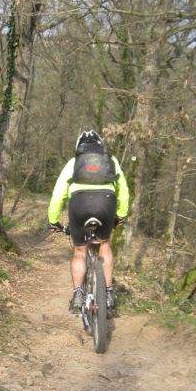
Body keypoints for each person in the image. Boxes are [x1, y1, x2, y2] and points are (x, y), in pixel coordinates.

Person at [48, 130, 130, 314]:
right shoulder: (111, 161)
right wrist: (121, 215)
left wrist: (53, 221)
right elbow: (123, 191)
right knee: (105, 245)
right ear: (101, 146)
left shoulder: (73, 163)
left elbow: (58, 194)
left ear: (79, 147)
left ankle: (78, 294)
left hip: (79, 203)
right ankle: (108, 293)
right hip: (106, 202)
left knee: (79, 252)